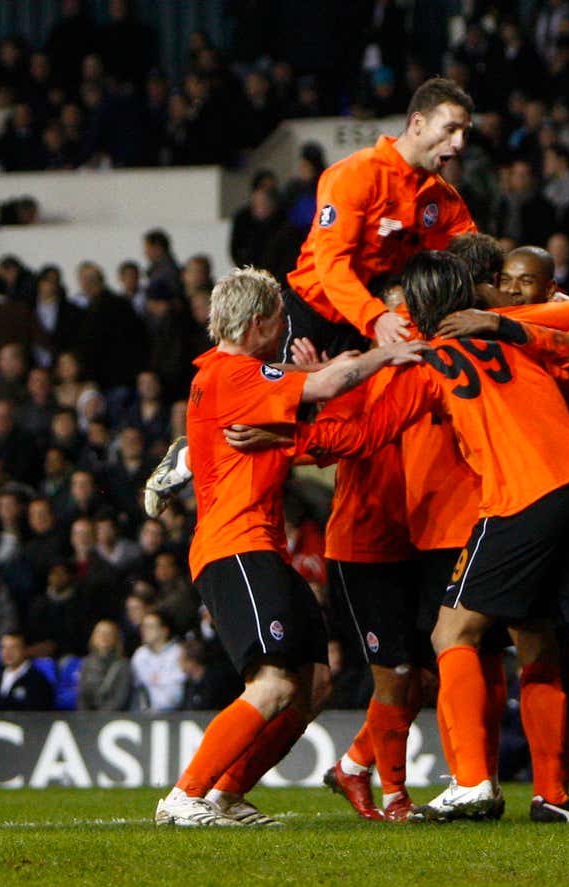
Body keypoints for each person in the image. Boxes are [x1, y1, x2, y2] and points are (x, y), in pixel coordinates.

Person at [302, 251, 569, 826]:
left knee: (452, 632)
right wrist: (508, 327)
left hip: (519, 498)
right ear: (475, 291)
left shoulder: (426, 358)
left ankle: (471, 783)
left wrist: (289, 433)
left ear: (414, 307)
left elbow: (366, 435)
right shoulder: (519, 336)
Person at [153, 266, 423, 827]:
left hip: (261, 547)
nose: (287, 325)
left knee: (314, 684)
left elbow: (309, 397)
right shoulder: (236, 374)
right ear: (257, 322)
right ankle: (185, 796)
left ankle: (228, 794)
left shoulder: (241, 376)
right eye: (279, 316)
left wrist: (315, 376)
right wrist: (387, 352)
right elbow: (326, 388)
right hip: (236, 547)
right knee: (273, 683)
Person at [283, 77, 477, 354]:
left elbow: (474, 258)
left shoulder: (444, 199)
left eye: (464, 133)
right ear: (418, 123)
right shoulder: (358, 174)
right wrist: (374, 316)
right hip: (314, 317)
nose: (458, 144)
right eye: (450, 130)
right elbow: (332, 261)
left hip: (375, 324)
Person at [0, 631, 55, 711]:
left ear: (25, 650)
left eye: (13, 648)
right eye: (3, 648)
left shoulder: (37, 680)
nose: (8, 653)